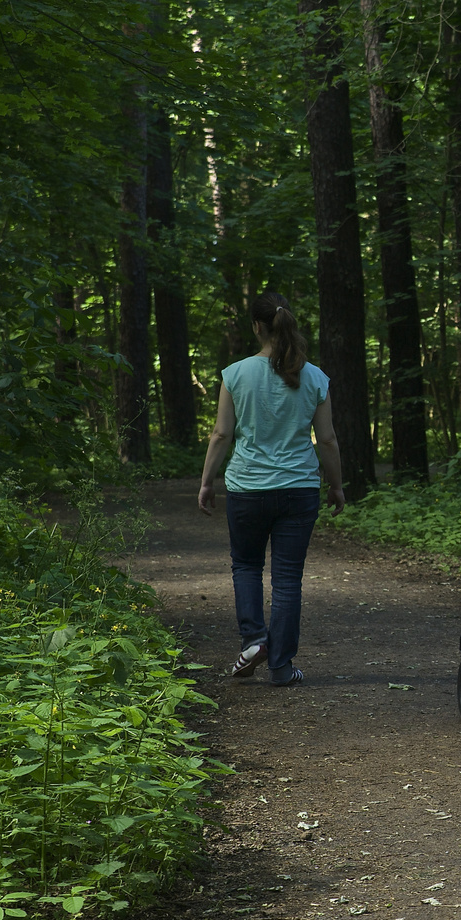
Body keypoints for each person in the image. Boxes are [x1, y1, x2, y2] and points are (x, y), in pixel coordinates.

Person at [198, 292, 345, 687]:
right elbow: (327, 439)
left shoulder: (236, 373)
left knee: (246, 566)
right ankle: (280, 666)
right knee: (287, 580)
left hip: (247, 487)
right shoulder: (314, 376)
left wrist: (207, 481)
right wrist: (336, 486)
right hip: (298, 489)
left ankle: (254, 640)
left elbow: (221, 433)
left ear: (257, 326)